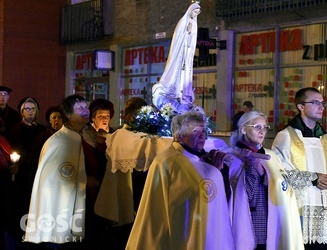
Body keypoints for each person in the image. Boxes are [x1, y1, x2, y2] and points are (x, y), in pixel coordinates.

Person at [125, 111, 235, 250]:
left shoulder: (198, 159)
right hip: (182, 232)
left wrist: (216, 169)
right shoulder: (171, 160)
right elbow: (198, 192)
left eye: (203, 131)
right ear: (178, 136)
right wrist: (214, 171)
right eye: (195, 131)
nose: (202, 135)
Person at [271, 87, 327, 249]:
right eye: (315, 102)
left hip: (322, 212)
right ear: (300, 106)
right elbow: (280, 172)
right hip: (297, 210)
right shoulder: (286, 136)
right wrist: (313, 178)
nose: (321, 106)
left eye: (322, 103)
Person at [229, 110, 304, 250]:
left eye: (265, 127)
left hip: (272, 225)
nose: (262, 131)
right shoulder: (233, 157)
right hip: (248, 224)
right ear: (244, 129)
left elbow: (282, 190)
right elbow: (243, 196)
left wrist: (261, 171)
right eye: (257, 126)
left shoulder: (271, 156)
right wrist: (252, 167)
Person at [24, 94, 90, 248]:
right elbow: (52, 178)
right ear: (67, 114)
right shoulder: (58, 141)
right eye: (80, 108)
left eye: (86, 107)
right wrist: (84, 180)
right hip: (61, 207)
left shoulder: (82, 136)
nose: (85, 111)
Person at [94, 97, 151, 249]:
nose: (140, 119)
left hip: (144, 184)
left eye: (144, 115)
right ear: (127, 116)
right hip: (126, 184)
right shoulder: (118, 136)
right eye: (137, 115)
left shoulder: (149, 136)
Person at [5, 97, 46, 249]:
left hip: (37, 171)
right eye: (27, 109)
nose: (30, 112)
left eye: (32, 109)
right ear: (21, 111)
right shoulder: (15, 130)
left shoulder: (42, 130)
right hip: (21, 173)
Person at [152, 2, 201, 113]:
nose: (195, 14)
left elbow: (192, 39)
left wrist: (190, 34)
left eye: (197, 12)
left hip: (186, 54)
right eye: (195, 11)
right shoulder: (182, 24)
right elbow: (179, 38)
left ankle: (182, 94)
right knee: (175, 71)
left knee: (185, 73)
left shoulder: (193, 25)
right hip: (180, 53)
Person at [81, 98, 115, 249]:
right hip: (90, 185)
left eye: (107, 116)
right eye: (100, 116)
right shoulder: (83, 136)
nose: (104, 119)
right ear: (93, 118)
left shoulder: (114, 135)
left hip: (108, 184)